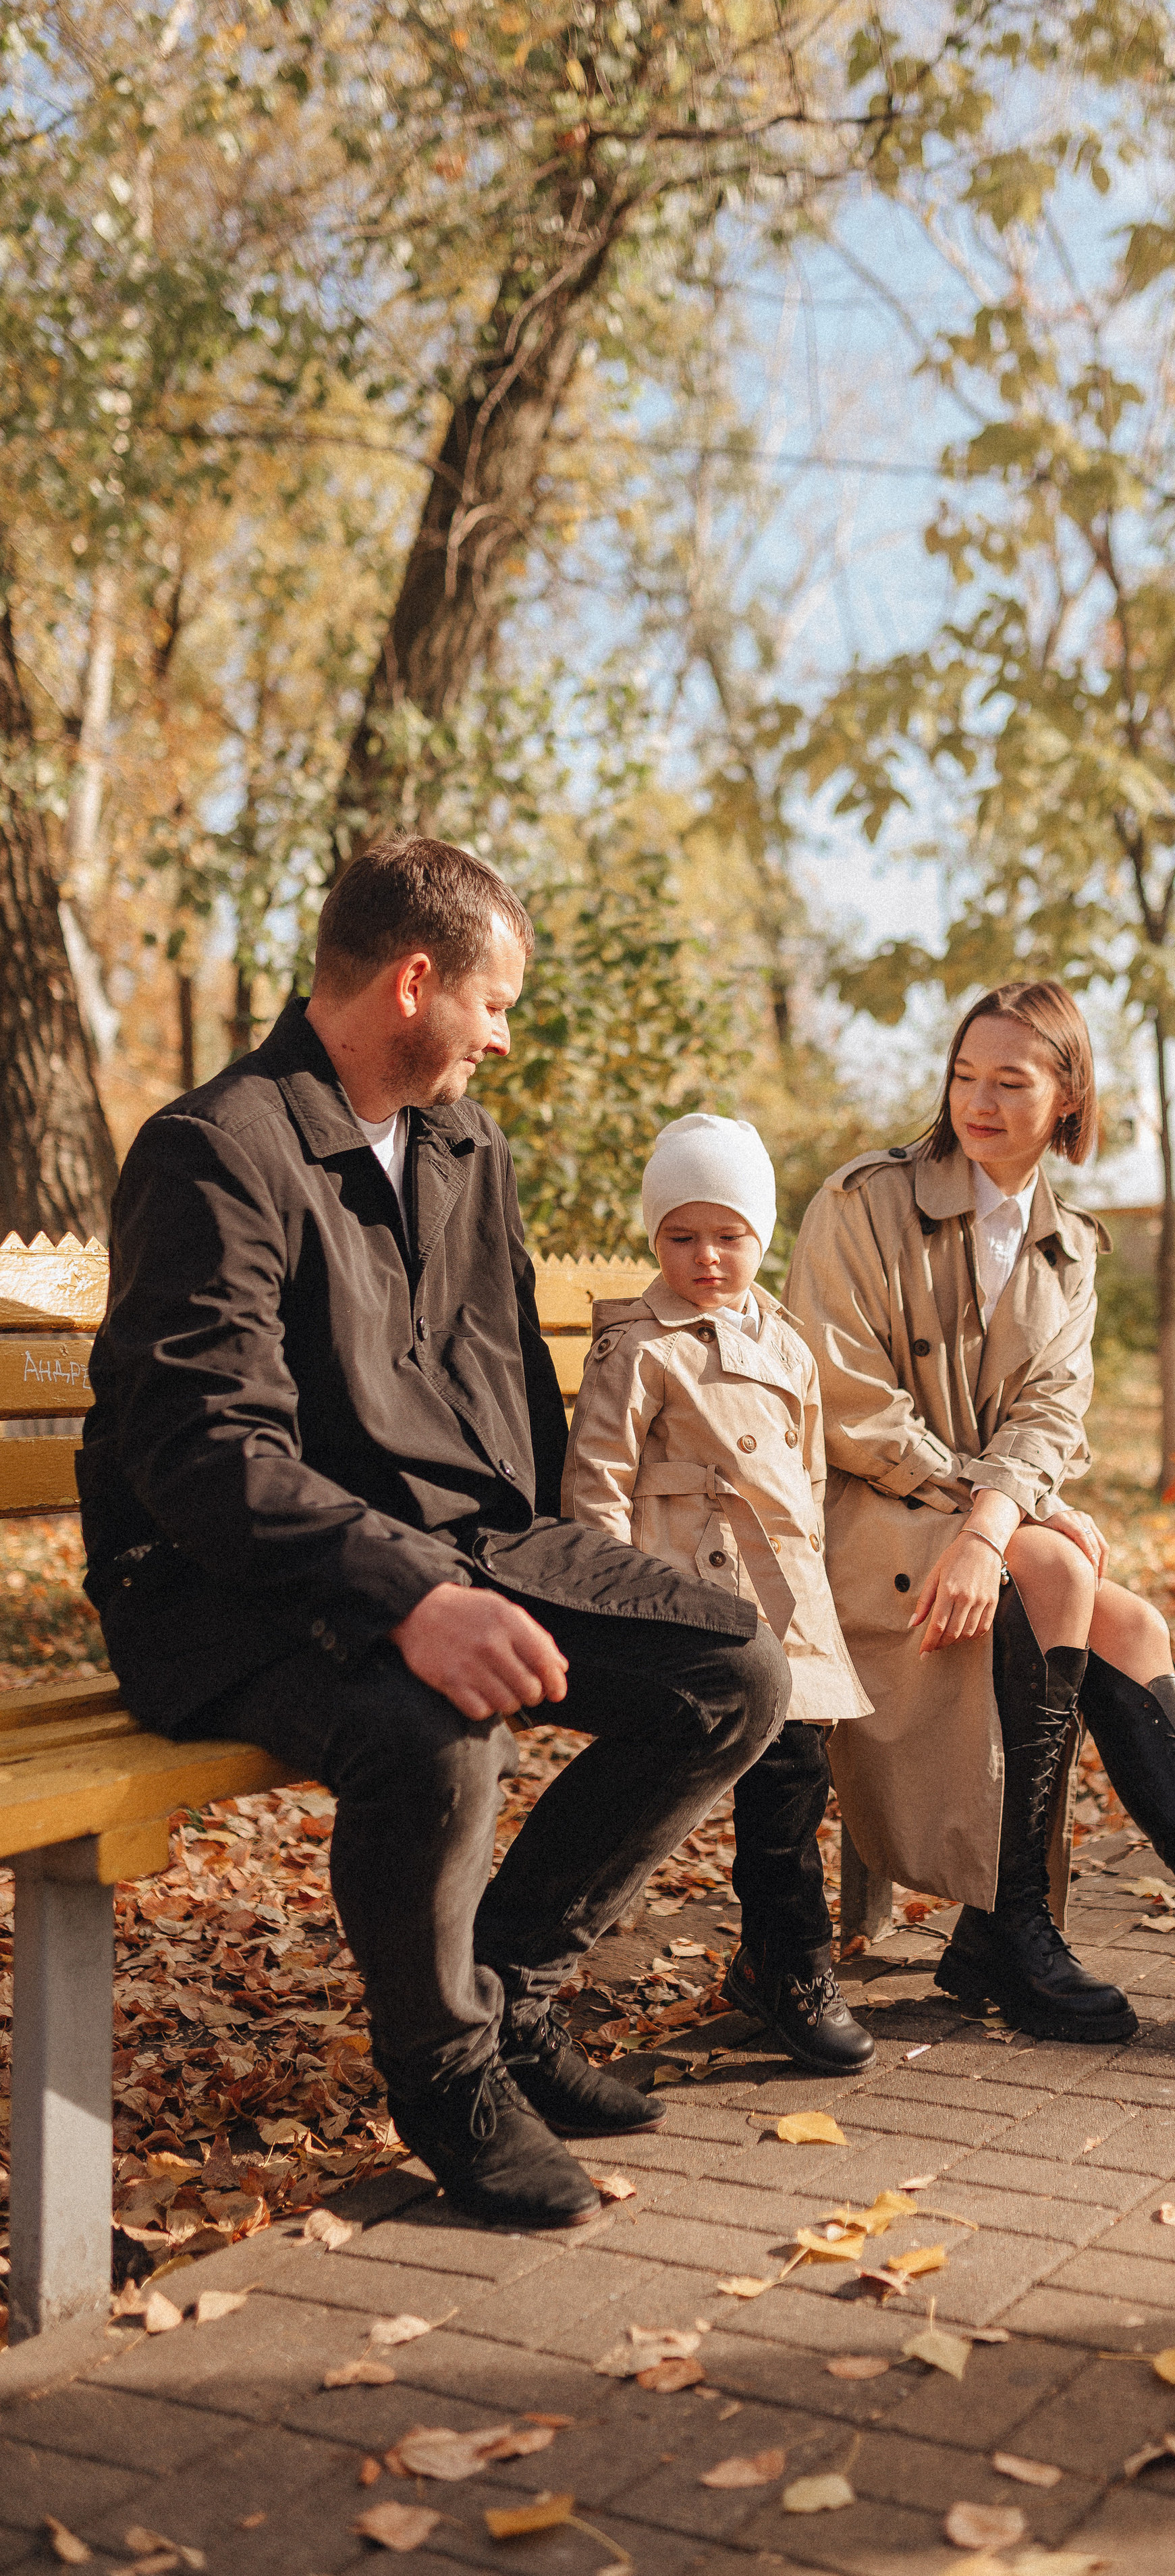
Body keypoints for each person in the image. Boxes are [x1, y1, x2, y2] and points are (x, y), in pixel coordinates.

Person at [79, 836, 792, 2232]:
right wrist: (411, 1593)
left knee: (733, 1672)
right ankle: (448, 2072)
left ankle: (514, 1987)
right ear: (417, 982)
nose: (505, 1036)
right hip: (224, 1587)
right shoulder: (218, 1148)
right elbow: (203, 1447)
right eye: (497, 1001)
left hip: (458, 1542)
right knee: (434, 1731)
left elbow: (501, 1385)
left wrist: (540, 1562)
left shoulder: (469, 1145)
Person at [786, 979, 1175, 2054]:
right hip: (865, 1520)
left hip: (972, 1525)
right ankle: (1012, 1921)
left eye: (1010, 1081)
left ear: (1068, 1097)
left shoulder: (1069, 1246)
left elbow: (1051, 1412)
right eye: (965, 1075)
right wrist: (993, 1513)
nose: (978, 1100)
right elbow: (845, 1402)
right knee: (1062, 1573)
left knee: (1136, 1625)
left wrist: (1001, 1512)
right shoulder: (863, 1201)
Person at [562, 1113, 875, 2074]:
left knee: (797, 1784)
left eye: (729, 1235)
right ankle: (794, 1963)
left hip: (787, 1596)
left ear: (762, 1236)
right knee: (765, 1779)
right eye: (682, 1236)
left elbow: (808, 1476)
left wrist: (816, 1584)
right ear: (655, 1238)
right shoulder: (639, 1347)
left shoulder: (784, 1340)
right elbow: (597, 1482)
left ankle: (773, 1960)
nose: (707, 1258)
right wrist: (611, 1606)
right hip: (690, 1597)